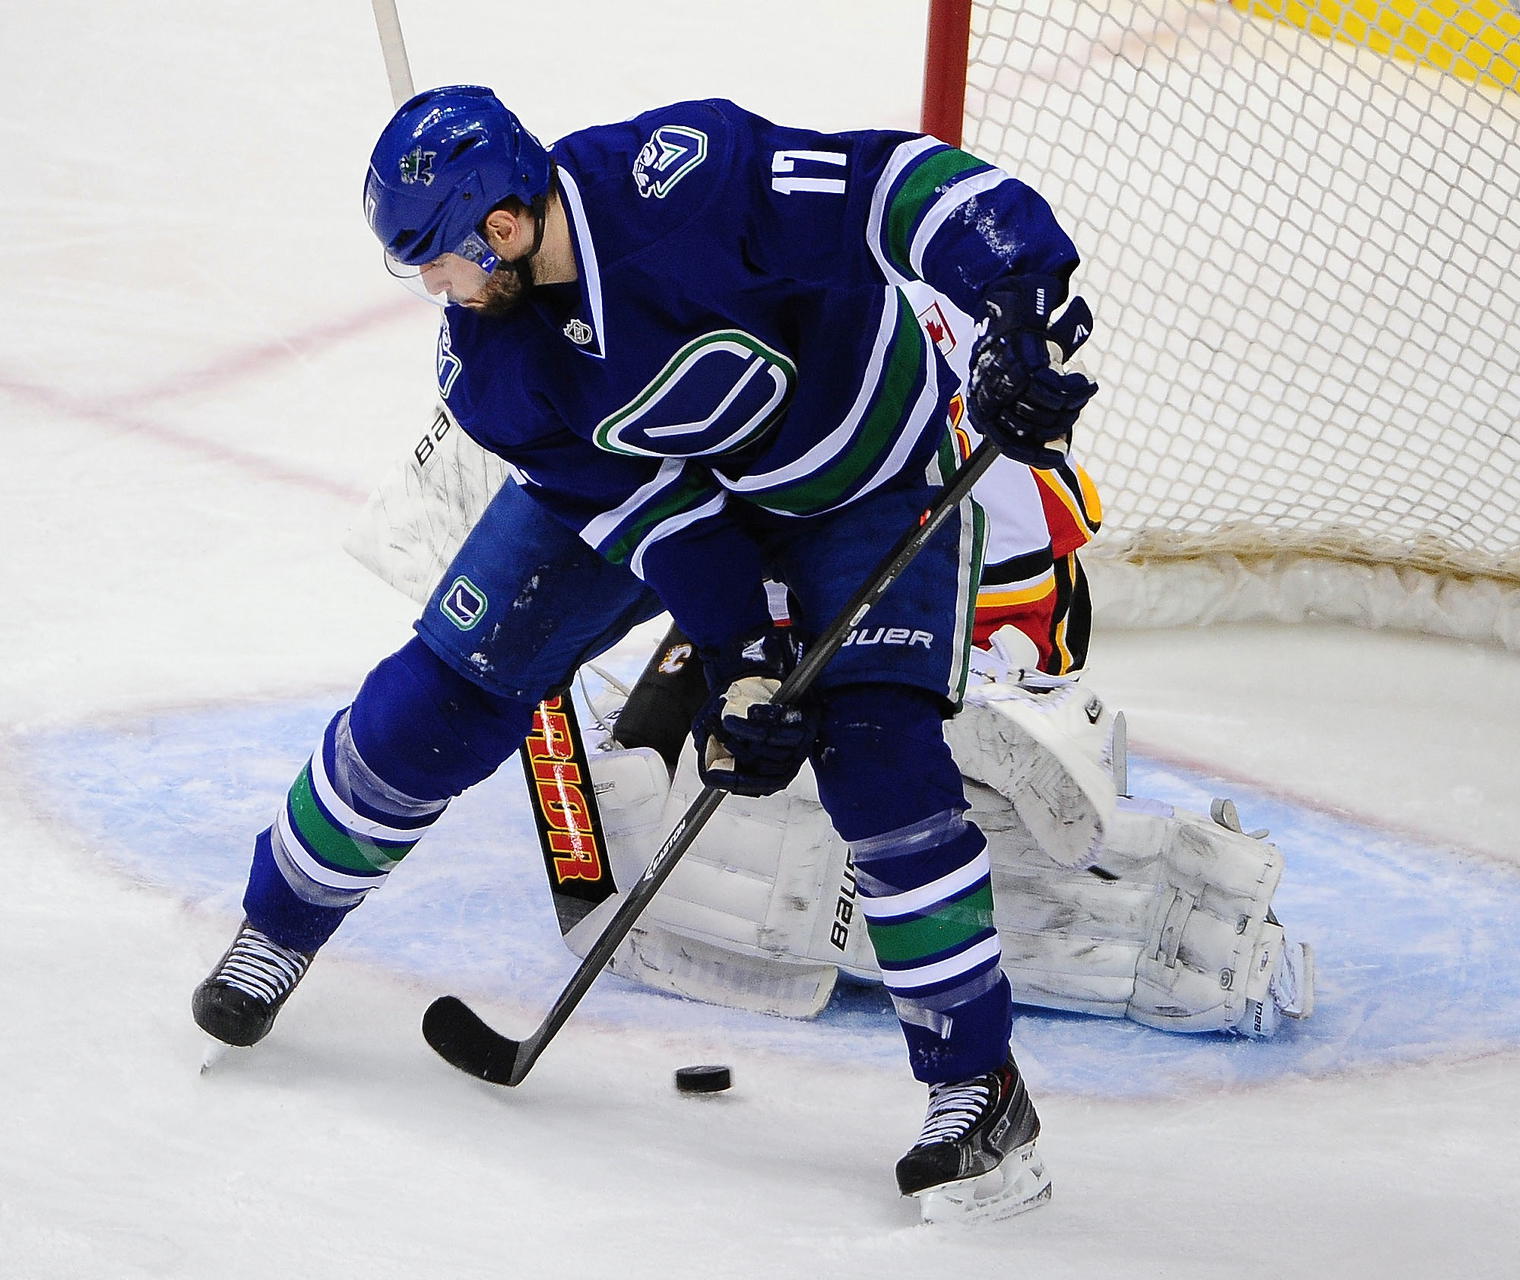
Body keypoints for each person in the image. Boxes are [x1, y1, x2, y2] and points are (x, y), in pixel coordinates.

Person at [194, 85, 1101, 1223]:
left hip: (867, 481)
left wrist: (1015, 310)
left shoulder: (686, 179)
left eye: (437, 258)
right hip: (691, 502)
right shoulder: (492, 367)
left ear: (503, 225)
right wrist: (744, 664)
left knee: (879, 764)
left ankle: (978, 1089)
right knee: (445, 689)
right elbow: (655, 517)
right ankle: (276, 926)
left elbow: (894, 182)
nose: (435, 288)